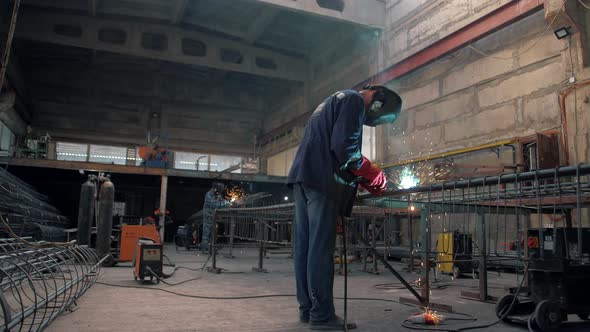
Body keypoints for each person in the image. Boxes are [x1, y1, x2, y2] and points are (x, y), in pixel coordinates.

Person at [288, 85, 402, 330]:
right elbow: (345, 150)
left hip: (303, 178)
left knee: (306, 247)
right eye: (378, 118)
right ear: (377, 101)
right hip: (321, 182)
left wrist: (357, 180)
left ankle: (308, 310)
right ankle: (322, 316)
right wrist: (372, 173)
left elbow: (332, 150)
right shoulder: (353, 102)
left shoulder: (334, 99)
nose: (374, 122)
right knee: (319, 249)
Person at [200, 182, 230, 253]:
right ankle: (204, 249)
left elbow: (222, 202)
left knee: (213, 234)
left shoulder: (217, 195)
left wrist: (229, 202)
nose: (220, 191)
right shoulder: (209, 194)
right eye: (219, 190)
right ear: (215, 188)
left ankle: (211, 248)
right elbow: (214, 205)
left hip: (214, 217)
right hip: (208, 217)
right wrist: (225, 203)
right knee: (206, 234)